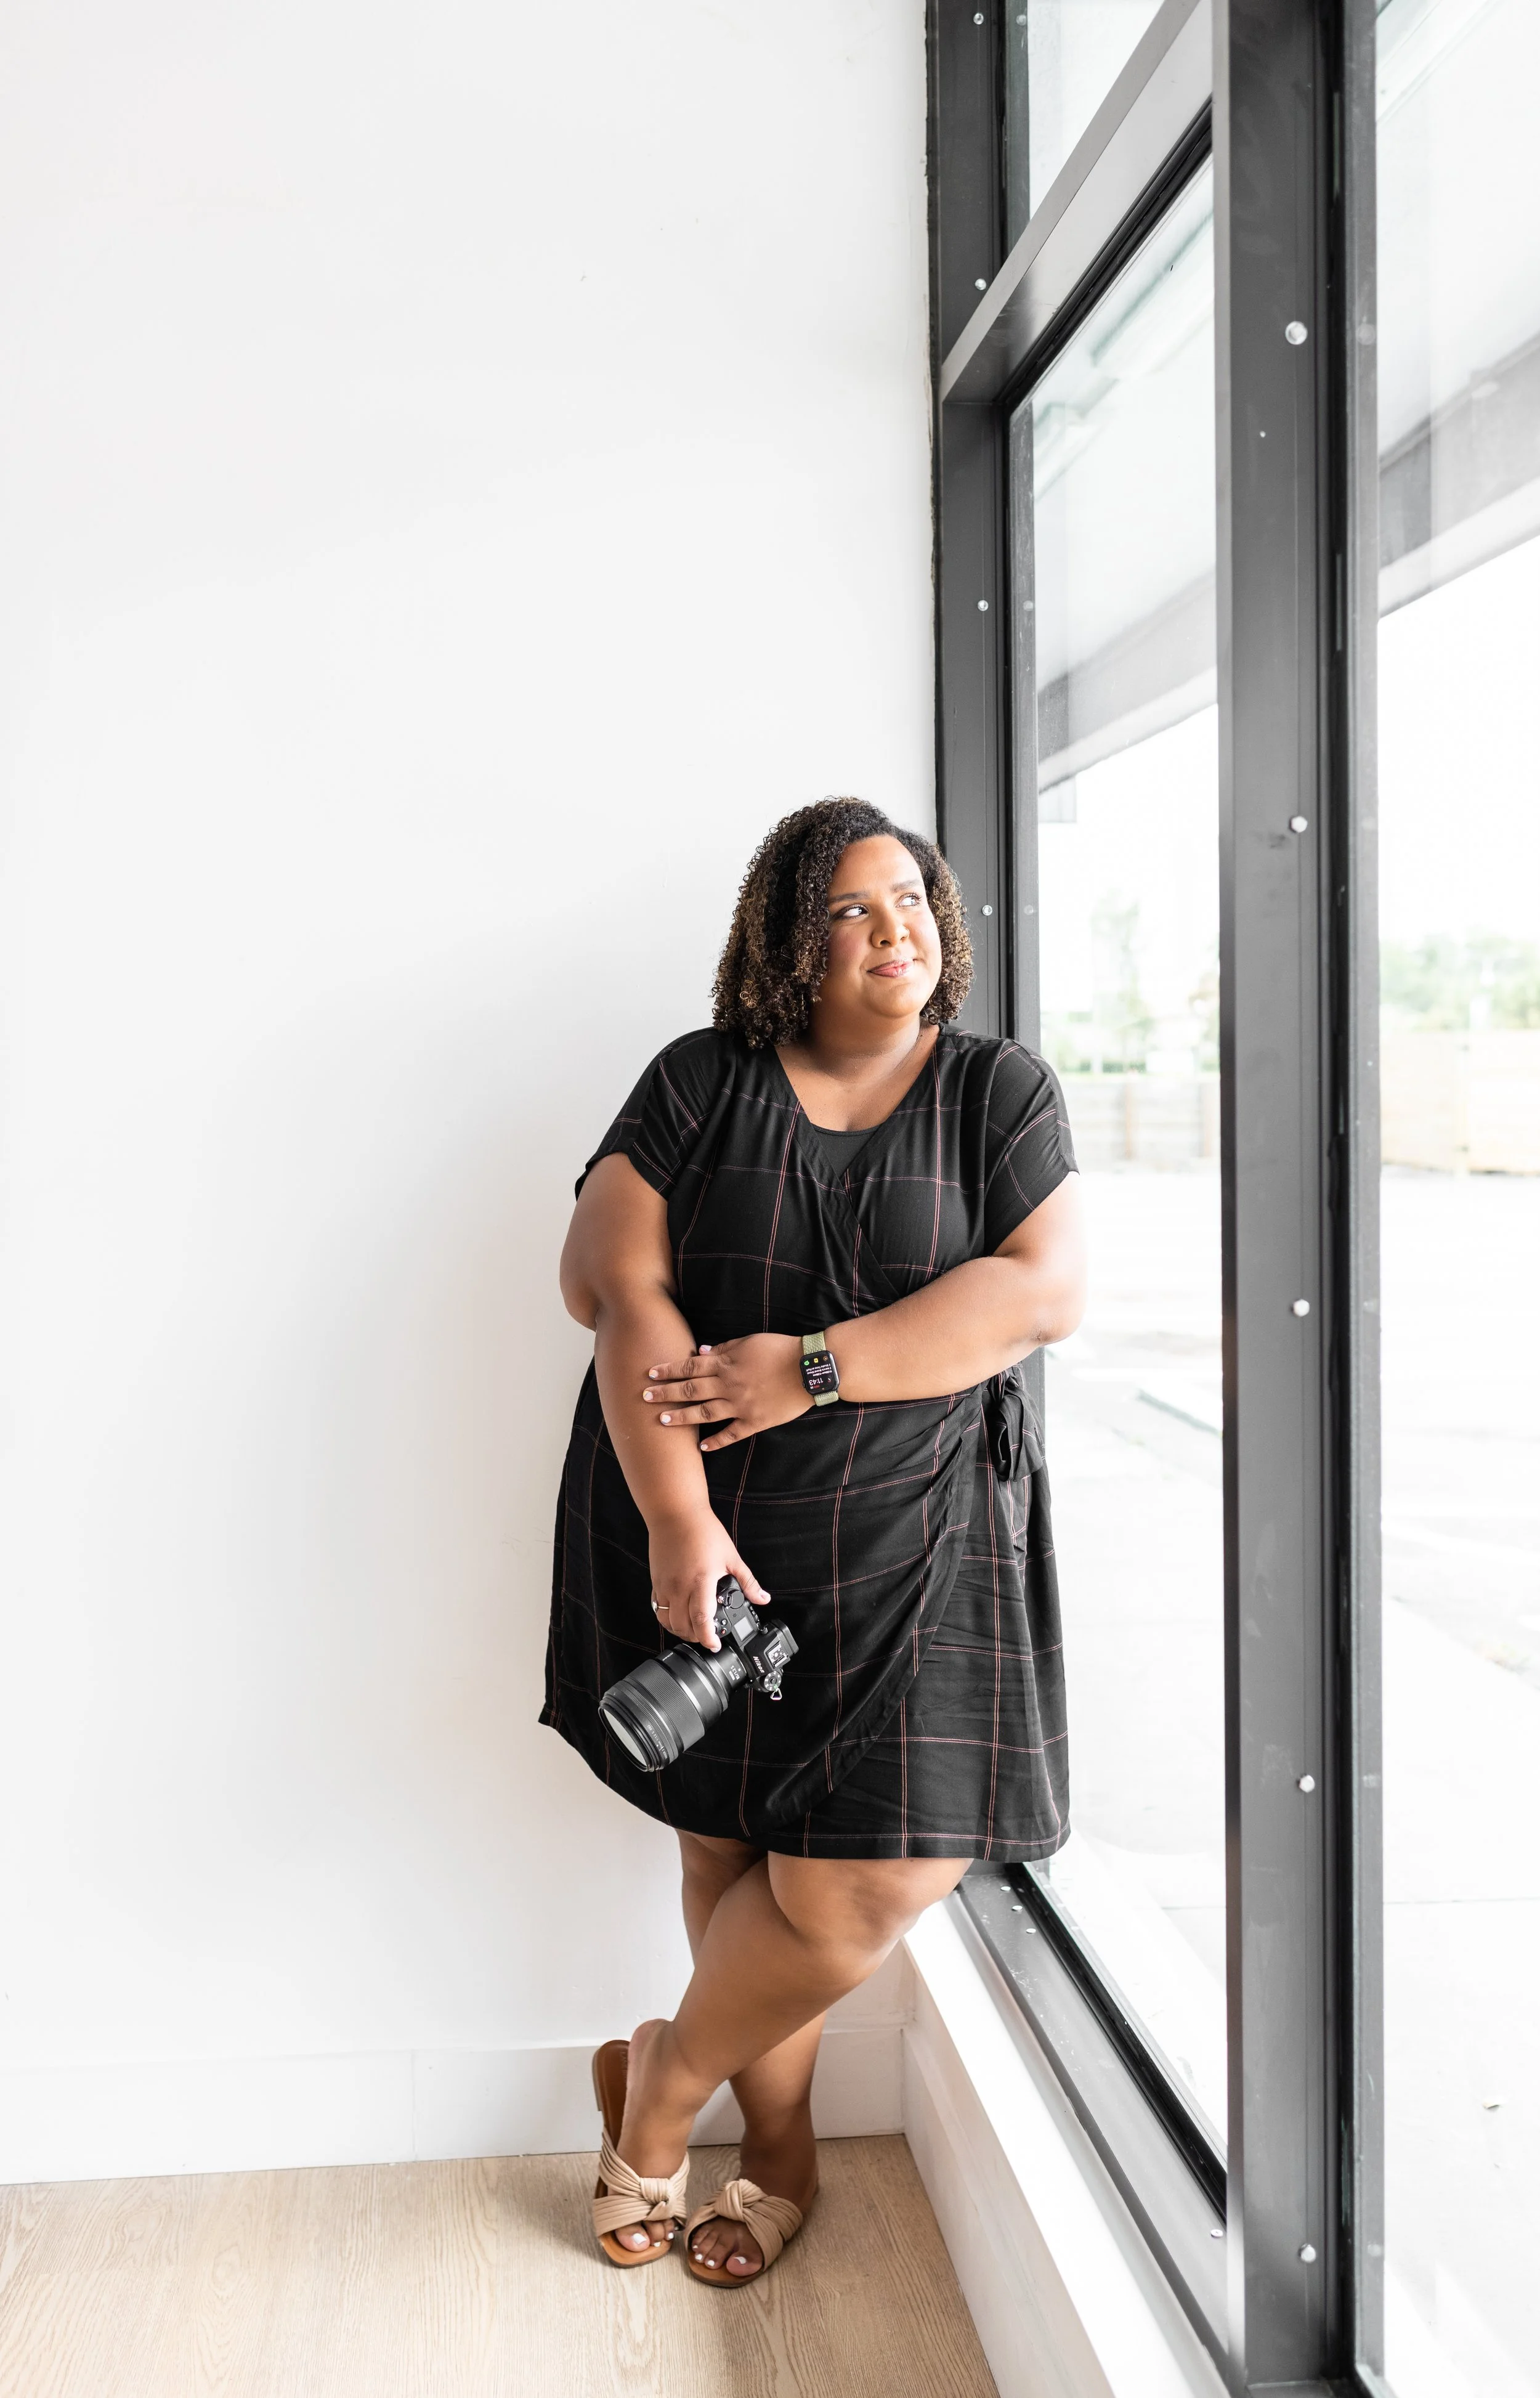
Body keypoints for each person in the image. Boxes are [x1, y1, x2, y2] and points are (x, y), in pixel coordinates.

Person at [542, 796, 1085, 2285]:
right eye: (847, 907)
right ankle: (774, 2154)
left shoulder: (995, 1091)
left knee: (864, 1877)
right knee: (732, 1854)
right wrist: (675, 1516)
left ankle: (659, 2087)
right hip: (699, 1523)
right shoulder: (700, 1080)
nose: (891, 925)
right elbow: (612, 1280)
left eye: (907, 896)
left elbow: (1038, 1293)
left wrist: (810, 1363)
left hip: (926, 1541)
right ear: (785, 939)